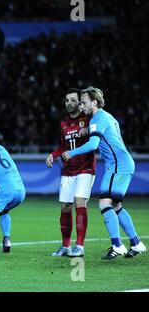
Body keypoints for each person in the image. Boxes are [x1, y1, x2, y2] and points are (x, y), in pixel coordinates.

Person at [62, 86, 146, 259]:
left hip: (117, 165)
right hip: (122, 163)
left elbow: (93, 145)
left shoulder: (97, 119)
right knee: (115, 205)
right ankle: (136, 243)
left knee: (104, 203)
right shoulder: (106, 117)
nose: (81, 106)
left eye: (84, 103)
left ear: (94, 102)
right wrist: (88, 130)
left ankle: (117, 245)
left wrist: (72, 152)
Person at [46, 89, 96, 257]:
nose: (69, 103)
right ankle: (65, 246)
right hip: (68, 169)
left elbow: (96, 138)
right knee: (65, 206)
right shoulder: (63, 122)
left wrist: (89, 130)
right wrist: (53, 155)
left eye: (73, 100)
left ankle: (80, 246)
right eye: (67, 100)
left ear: (80, 102)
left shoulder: (89, 118)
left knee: (79, 202)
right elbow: (63, 146)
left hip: (86, 167)